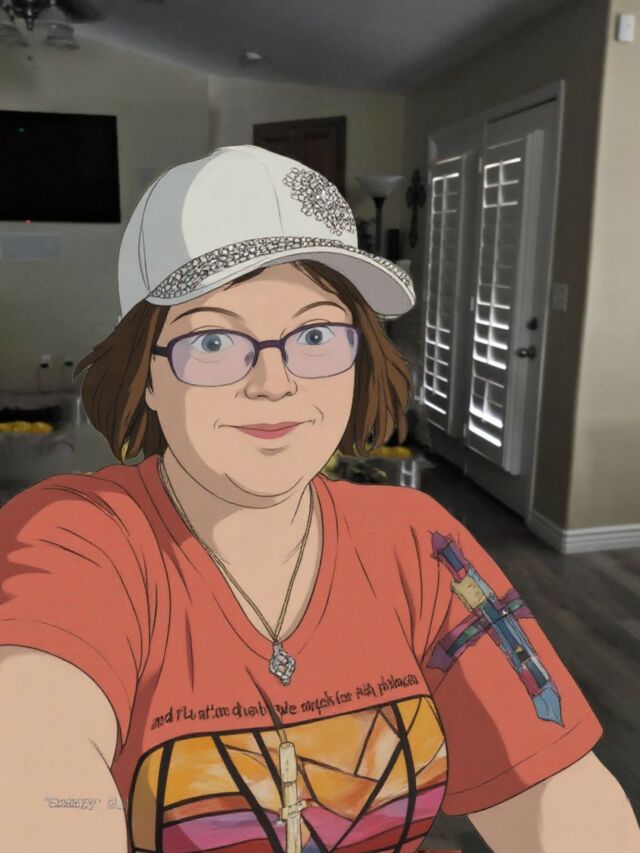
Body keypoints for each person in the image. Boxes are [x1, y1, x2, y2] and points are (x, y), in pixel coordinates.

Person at [0, 145, 637, 853]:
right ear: (145, 375)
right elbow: (37, 765)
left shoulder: (417, 539)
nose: (275, 383)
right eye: (212, 341)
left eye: (314, 334)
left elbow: (555, 791)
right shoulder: (78, 536)